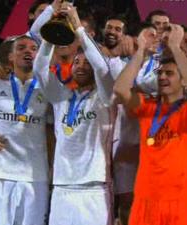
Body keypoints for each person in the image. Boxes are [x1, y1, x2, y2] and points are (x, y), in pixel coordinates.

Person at [114, 24, 187, 225]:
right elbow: (121, 89)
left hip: (180, 204)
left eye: (170, 73)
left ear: (181, 79)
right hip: (145, 201)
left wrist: (175, 47)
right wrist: (140, 51)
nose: (163, 77)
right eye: (160, 73)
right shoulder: (147, 107)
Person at [33, 5, 114, 225]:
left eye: (86, 62)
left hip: (93, 188)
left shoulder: (104, 97)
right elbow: (39, 68)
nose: (81, 66)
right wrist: (51, 36)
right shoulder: (61, 96)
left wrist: (78, 28)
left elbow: (103, 69)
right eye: (77, 62)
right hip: (61, 187)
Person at [0, 35, 50, 225]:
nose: (28, 51)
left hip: (35, 175)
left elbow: (53, 131)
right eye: (21, 48)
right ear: (10, 57)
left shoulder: (49, 90)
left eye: (34, 48)